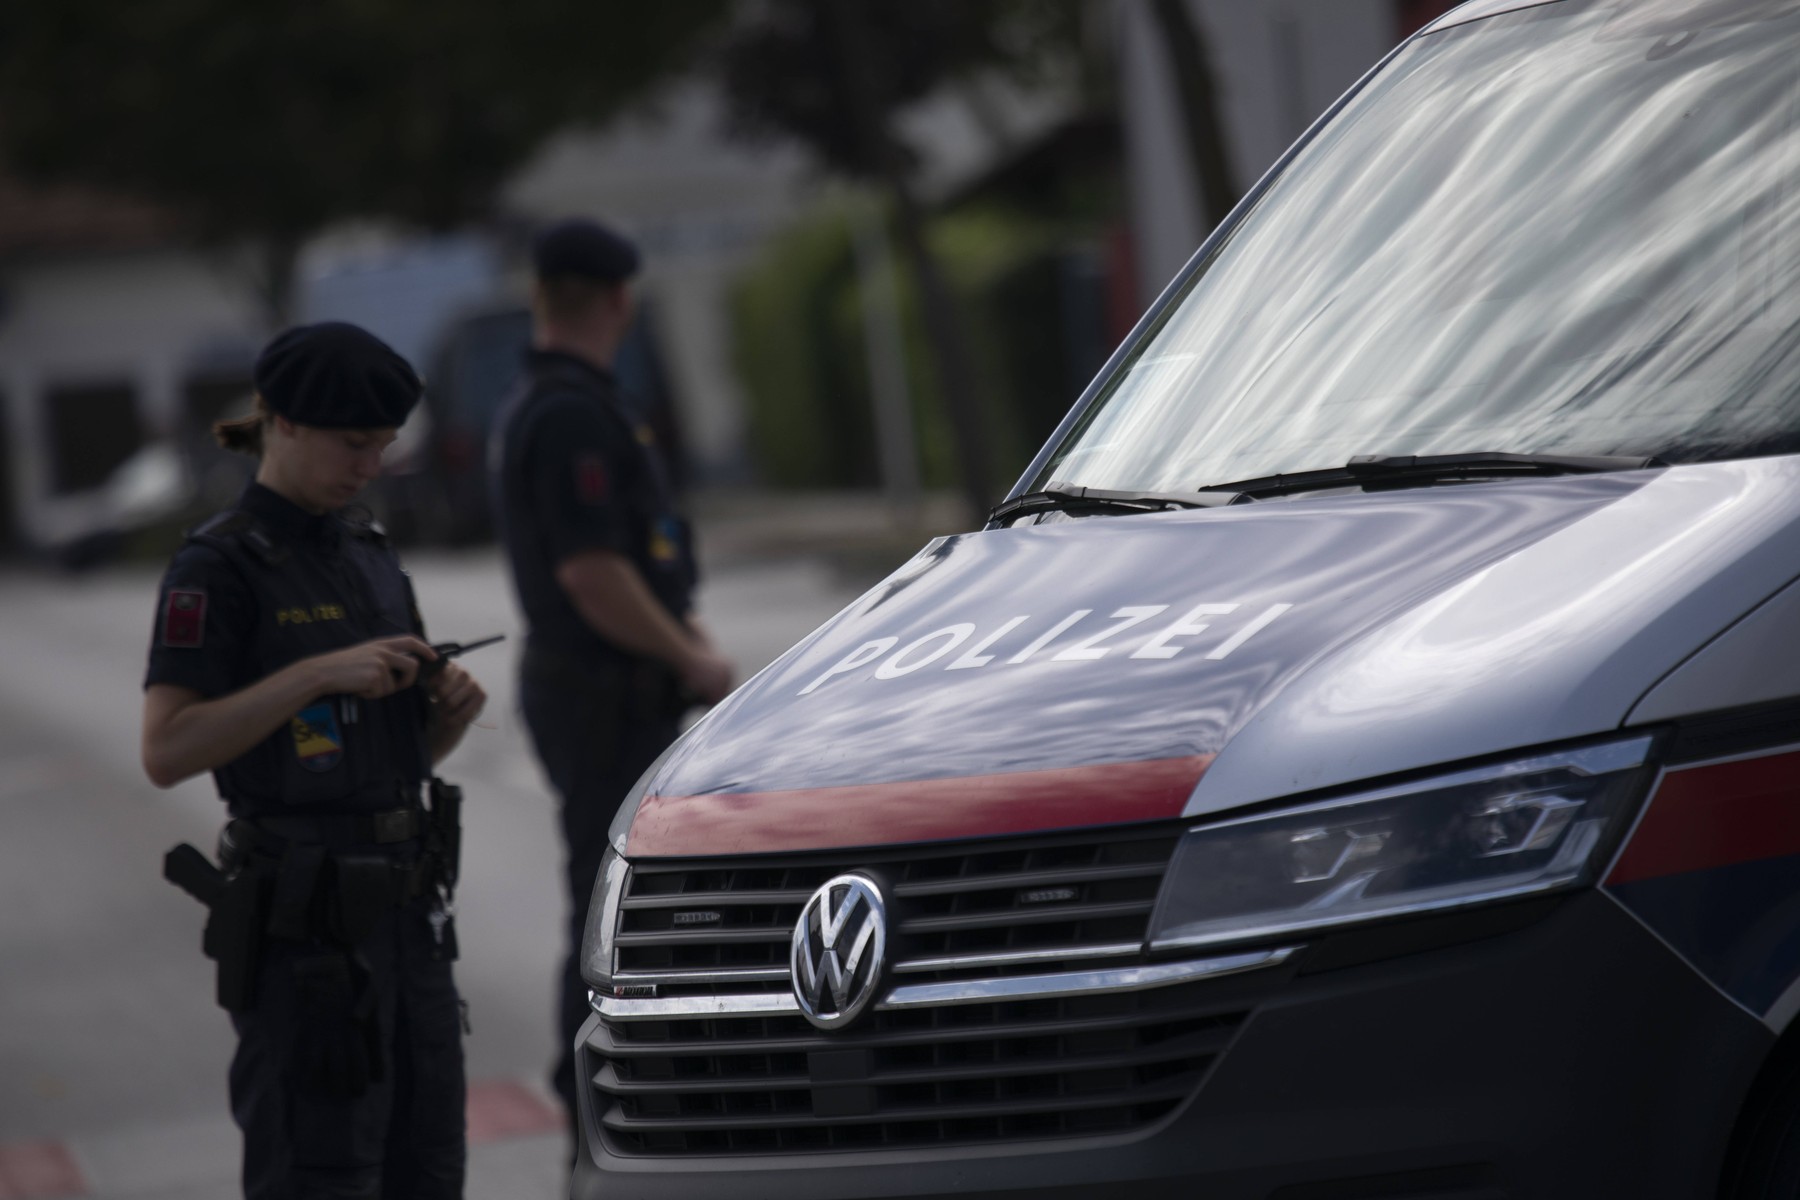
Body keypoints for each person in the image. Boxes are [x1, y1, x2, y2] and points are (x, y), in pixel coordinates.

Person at [141, 322, 487, 1199]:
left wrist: (443, 721)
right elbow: (167, 748)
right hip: (312, 949)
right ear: (283, 422)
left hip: (410, 928)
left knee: (430, 1172)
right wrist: (312, 675)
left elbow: (383, 760)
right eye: (353, 444)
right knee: (320, 1177)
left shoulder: (367, 552)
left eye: (383, 446)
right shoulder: (216, 568)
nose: (370, 465)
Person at [490, 217, 734, 1139]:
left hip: (598, 689)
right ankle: (593, 1102)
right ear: (621, 301)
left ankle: (609, 1099)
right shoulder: (571, 415)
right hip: (602, 692)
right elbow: (593, 574)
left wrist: (684, 635)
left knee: (614, 896)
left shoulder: (550, 401)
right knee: (608, 904)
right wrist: (692, 657)